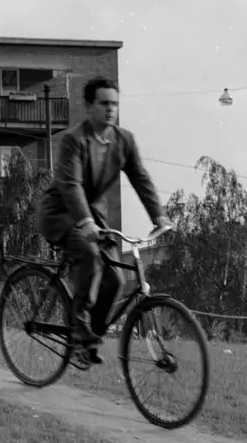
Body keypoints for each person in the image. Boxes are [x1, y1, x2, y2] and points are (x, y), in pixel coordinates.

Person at [37, 76, 171, 364]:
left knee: (116, 277)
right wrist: (85, 222)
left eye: (115, 104)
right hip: (61, 214)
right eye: (104, 103)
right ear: (89, 107)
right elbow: (71, 186)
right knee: (90, 257)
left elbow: (140, 177)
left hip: (94, 217)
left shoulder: (124, 140)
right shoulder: (74, 140)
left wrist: (158, 215)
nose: (111, 110)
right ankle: (79, 326)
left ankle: (86, 339)